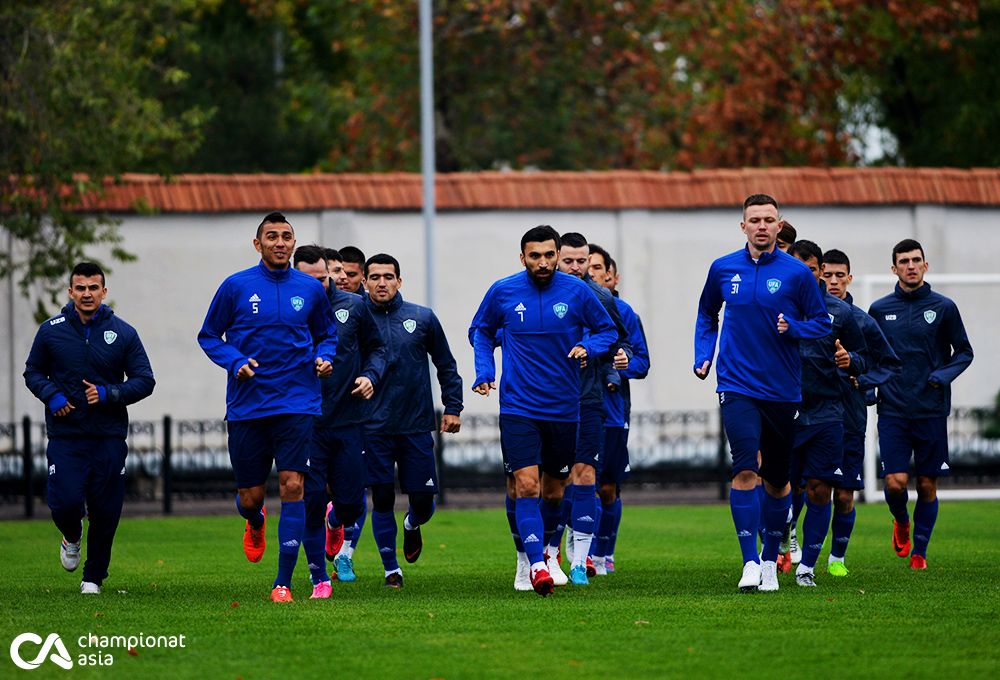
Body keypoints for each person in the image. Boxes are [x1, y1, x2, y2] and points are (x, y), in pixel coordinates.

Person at [469, 225, 617, 596]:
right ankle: (534, 563)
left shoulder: (577, 291)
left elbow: (606, 331)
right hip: (518, 406)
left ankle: (546, 551)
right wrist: (485, 371)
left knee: (554, 491)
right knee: (526, 485)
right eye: (535, 255)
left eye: (549, 255)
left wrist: (589, 346)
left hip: (565, 407)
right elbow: (481, 331)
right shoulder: (503, 291)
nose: (543, 262)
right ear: (523, 258)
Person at [693, 194, 831, 592]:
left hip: (782, 389)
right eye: (754, 219)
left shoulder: (797, 273)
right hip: (735, 383)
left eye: (769, 219)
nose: (762, 226)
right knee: (744, 468)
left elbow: (821, 322)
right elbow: (706, 313)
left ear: (779, 224)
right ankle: (750, 562)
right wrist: (705, 355)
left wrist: (796, 329)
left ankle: (771, 560)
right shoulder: (722, 268)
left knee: (776, 480)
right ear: (743, 226)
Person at [198, 212, 338, 603]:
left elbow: (328, 334)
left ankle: (282, 582)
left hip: (298, 401)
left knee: (294, 485)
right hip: (248, 406)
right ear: (257, 244)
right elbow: (209, 335)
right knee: (251, 497)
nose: (280, 242)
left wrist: (326, 356)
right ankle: (254, 521)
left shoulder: (310, 289)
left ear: (294, 243)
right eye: (271, 236)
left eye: (286, 236)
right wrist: (234, 360)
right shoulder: (236, 286)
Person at [24, 262, 155, 595]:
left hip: (109, 436)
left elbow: (145, 380)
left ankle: (93, 578)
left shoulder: (124, 333)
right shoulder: (51, 331)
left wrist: (110, 393)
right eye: (80, 288)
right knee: (65, 503)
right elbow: (33, 373)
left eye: (93, 287)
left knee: (106, 509)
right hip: (66, 436)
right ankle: (71, 535)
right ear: (70, 292)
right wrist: (52, 395)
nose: (86, 294)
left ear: (104, 292)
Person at [869, 239, 973, 570]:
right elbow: (870, 356)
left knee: (927, 484)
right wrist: (869, 383)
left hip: (930, 409)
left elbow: (965, 352)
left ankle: (920, 553)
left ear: (925, 265)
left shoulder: (944, 307)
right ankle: (901, 520)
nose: (911, 265)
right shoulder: (879, 310)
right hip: (893, 409)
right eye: (904, 261)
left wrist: (941, 376)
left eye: (916, 260)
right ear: (894, 269)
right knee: (895, 481)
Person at [362, 253, 463, 588]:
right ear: (364, 281)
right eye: (374, 277)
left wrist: (453, 406)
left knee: (423, 501)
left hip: (416, 424)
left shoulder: (422, 318)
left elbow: (446, 364)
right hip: (372, 426)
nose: (381, 283)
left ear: (399, 281)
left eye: (388, 276)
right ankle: (391, 569)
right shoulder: (354, 320)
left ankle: (411, 525)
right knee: (382, 498)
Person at [294, 245, 386, 596]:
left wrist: (370, 377)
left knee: (350, 504)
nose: (318, 285)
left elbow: (378, 349)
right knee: (311, 498)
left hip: (349, 420)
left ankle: (338, 521)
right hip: (307, 421)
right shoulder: (289, 309)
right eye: (309, 279)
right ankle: (319, 578)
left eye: (323, 277)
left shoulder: (354, 307)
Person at [786, 240, 867, 587]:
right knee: (780, 491)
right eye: (797, 268)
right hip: (783, 412)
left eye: (812, 269)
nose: (806, 275)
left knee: (822, 490)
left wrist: (852, 362)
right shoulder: (770, 307)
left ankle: (809, 566)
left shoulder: (841, 314)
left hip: (827, 414)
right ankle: (767, 559)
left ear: (818, 272)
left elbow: (866, 357)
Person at [821, 248, 901, 576]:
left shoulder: (861, 320)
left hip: (850, 417)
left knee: (843, 493)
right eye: (828, 275)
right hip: (811, 415)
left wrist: (860, 378)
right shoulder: (807, 316)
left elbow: (888, 362)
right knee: (802, 488)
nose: (834, 281)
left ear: (849, 278)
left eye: (840, 275)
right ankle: (790, 549)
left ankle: (837, 558)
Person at [587, 248, 650, 575]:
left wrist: (624, 365)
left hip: (612, 413)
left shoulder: (624, 312)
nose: (592, 272)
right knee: (576, 482)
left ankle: (603, 553)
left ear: (612, 276)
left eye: (598, 267)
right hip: (574, 410)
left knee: (607, 487)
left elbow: (642, 362)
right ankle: (578, 552)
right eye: (588, 265)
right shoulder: (568, 307)